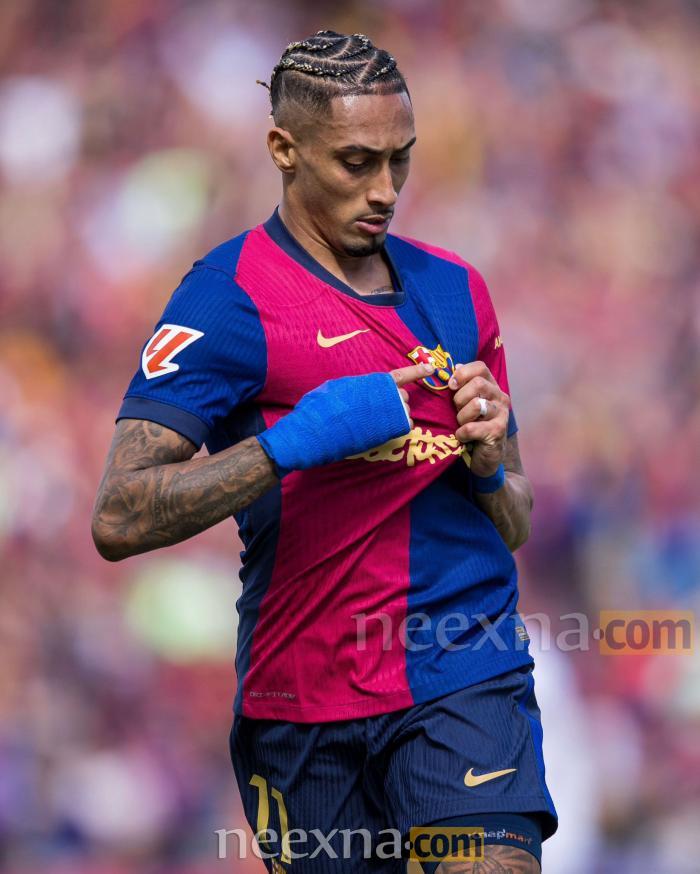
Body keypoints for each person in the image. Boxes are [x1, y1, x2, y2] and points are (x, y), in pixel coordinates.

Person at [92, 30, 557, 873]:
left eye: (400, 159)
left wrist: (491, 465)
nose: (385, 189)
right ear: (284, 149)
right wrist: (290, 444)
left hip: (462, 668)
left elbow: (515, 519)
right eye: (356, 162)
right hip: (301, 698)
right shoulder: (226, 298)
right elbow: (119, 516)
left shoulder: (457, 290)